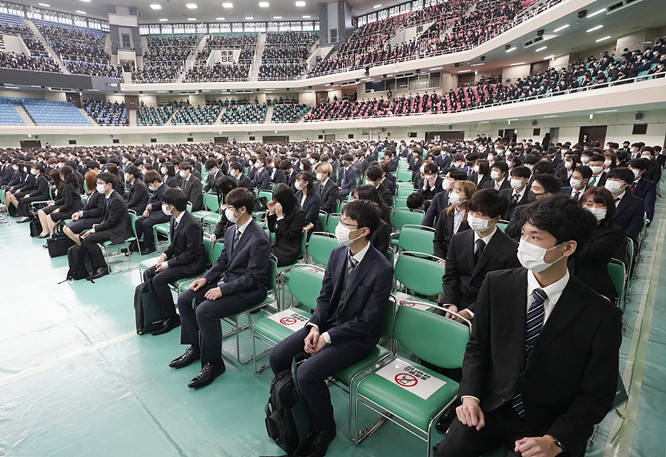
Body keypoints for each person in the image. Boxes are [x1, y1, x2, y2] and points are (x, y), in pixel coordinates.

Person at [434, 195, 622, 457]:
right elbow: (478, 348)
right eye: (523, 235)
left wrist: (556, 439)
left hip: (547, 423)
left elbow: (597, 394)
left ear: (567, 248)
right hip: (490, 404)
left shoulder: (600, 315)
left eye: (535, 238)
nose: (523, 244)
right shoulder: (497, 284)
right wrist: (470, 396)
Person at [269, 199, 394, 457]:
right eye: (340, 221)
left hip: (358, 336)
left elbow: (369, 321)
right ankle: (300, 406)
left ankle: (324, 427)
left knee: (307, 374)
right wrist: (315, 325)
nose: (340, 227)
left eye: (346, 224)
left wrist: (328, 336)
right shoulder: (338, 254)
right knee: (277, 356)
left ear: (364, 231)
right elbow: (325, 296)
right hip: (327, 324)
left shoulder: (382, 268)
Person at [170, 188, 271, 389]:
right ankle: (195, 347)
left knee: (205, 310)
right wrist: (206, 278)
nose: (225, 210)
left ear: (242, 210)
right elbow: (223, 260)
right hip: (228, 280)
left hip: (250, 289)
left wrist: (222, 290)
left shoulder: (259, 237)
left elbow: (253, 277)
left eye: (229, 207)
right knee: (185, 298)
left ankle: (214, 363)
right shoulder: (232, 229)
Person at [441, 189, 520, 321]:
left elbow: (502, 291)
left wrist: (470, 311)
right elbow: (450, 276)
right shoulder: (458, 239)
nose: (474, 217)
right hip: (455, 304)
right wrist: (451, 303)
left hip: (487, 310)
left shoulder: (511, 250)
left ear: (497, 219)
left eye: (480, 214)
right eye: (471, 212)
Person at [143, 188, 208, 336]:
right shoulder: (174, 218)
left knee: (159, 279)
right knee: (149, 273)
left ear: (172, 206)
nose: (163, 206)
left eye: (165, 203)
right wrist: (165, 256)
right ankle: (160, 313)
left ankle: (171, 318)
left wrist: (167, 264)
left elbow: (191, 254)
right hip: (179, 259)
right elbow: (173, 246)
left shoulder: (192, 224)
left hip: (193, 264)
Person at [574, 187, 626, 302]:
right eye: (589, 204)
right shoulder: (571, 225)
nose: (594, 209)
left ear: (609, 209)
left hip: (591, 284)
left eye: (601, 205)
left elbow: (590, 254)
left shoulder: (614, 232)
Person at [79, 172, 131, 280]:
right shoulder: (108, 196)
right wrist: (99, 225)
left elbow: (111, 222)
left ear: (109, 185)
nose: (98, 185)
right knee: (83, 234)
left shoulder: (115, 199)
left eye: (100, 183)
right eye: (97, 183)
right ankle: (92, 264)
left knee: (88, 239)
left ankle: (103, 267)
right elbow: (108, 219)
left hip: (118, 230)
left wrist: (95, 229)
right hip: (112, 226)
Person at [506, 174, 562, 240]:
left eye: (536, 188)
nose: (531, 191)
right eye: (531, 187)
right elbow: (510, 232)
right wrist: (526, 217)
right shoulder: (521, 209)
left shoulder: (559, 213)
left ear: (548, 194)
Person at [433, 180, 477, 259]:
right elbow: (437, 240)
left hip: (463, 260)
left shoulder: (473, 218)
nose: (453, 194)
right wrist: (440, 259)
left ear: (467, 197)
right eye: (453, 191)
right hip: (444, 257)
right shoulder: (445, 213)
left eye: (457, 192)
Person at [36, 165, 82, 238]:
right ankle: (51, 236)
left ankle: (52, 237)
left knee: (49, 217)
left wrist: (59, 209)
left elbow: (68, 204)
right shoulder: (72, 183)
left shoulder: (68, 186)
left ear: (63, 175)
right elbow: (65, 199)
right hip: (74, 208)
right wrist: (55, 203)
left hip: (72, 211)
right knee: (49, 216)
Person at [267, 183, 306, 266]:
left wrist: (280, 217)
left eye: (277, 201)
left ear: (284, 200)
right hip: (277, 247)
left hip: (288, 251)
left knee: (261, 260)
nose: (276, 203)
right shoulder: (282, 208)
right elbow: (272, 229)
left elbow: (289, 235)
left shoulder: (299, 213)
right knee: (255, 253)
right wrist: (271, 212)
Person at [604, 167, 644, 245]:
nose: (611, 181)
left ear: (627, 184)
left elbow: (633, 228)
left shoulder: (636, 203)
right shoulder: (595, 197)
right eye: (609, 178)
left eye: (616, 180)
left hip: (619, 241)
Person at [63, 171, 105, 245]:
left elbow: (99, 211)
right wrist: (78, 213)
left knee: (69, 229)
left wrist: (83, 214)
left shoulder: (100, 194)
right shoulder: (92, 193)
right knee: (65, 228)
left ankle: (82, 244)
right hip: (89, 216)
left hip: (97, 218)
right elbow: (87, 206)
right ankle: (81, 244)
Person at [134, 170, 170, 255]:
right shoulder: (157, 189)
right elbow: (150, 200)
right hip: (156, 211)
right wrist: (147, 209)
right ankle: (137, 243)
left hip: (164, 213)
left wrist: (152, 206)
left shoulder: (165, 189)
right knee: (138, 221)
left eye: (150, 185)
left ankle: (150, 246)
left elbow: (163, 202)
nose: (149, 187)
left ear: (156, 182)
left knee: (146, 223)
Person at [352, 185, 390, 255]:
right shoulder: (352, 219)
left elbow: (379, 256)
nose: (352, 201)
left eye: (355, 198)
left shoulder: (382, 228)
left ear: (365, 201)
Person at [627, 158, 656, 224]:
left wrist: (647, 218)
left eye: (634, 168)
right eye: (629, 167)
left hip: (635, 214)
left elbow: (649, 202)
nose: (631, 170)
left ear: (643, 171)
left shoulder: (649, 185)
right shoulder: (621, 181)